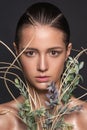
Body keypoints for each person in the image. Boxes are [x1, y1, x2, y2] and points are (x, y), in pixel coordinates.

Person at [0, 2, 87, 130]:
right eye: (30, 53)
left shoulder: (84, 119)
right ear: (17, 50)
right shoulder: (3, 120)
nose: (42, 66)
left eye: (53, 53)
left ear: (67, 51)